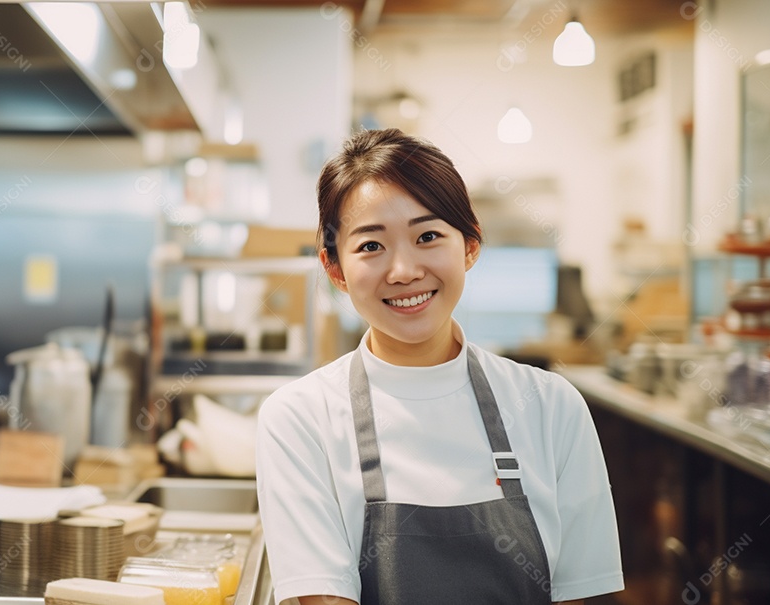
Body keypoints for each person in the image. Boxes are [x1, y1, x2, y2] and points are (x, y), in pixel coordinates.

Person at [255, 129, 624, 605]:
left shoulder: (551, 406)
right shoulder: (299, 419)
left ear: (470, 246)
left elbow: (587, 594)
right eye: (371, 246)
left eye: (427, 236)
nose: (404, 270)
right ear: (335, 269)